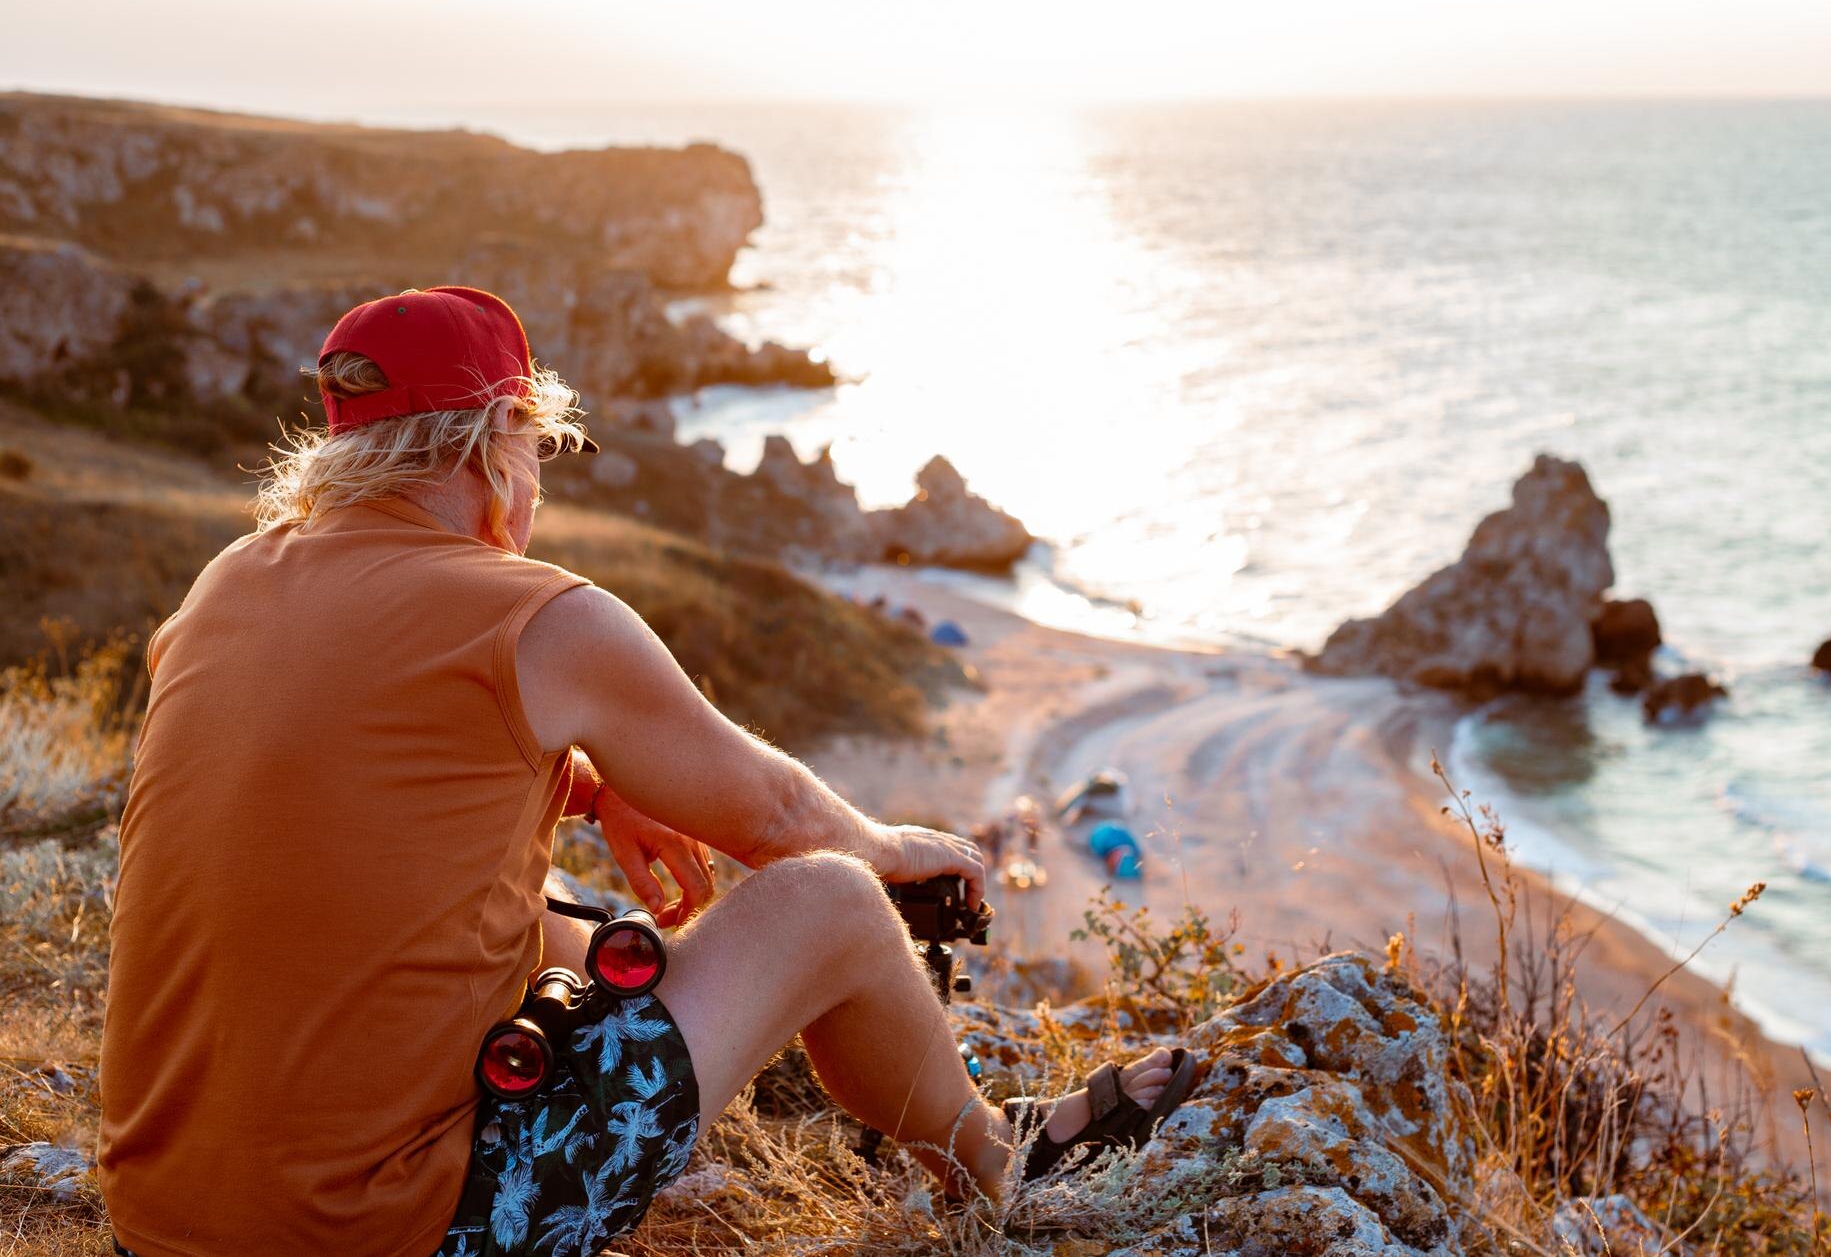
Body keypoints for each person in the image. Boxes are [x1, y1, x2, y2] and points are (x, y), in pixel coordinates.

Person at [97, 287, 1200, 1256]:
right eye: (536, 447)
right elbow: (778, 816)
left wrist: (587, 784)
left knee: (545, 920)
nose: (536, 483)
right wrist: (896, 846)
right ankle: (997, 1166)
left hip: (159, 1221)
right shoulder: (537, 614)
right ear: (493, 442)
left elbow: (345, 763)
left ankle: (928, 1111)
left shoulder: (224, 587)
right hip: (408, 1233)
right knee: (831, 900)